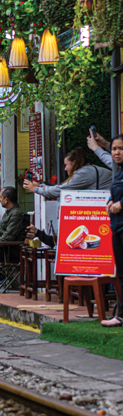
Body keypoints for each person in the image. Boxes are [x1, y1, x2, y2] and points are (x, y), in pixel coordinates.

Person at [23, 147, 112, 199]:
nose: (65, 169)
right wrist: (40, 186)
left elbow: (61, 190)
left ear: (73, 164)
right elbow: (62, 187)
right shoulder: (86, 170)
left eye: (66, 165)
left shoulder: (82, 174)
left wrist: (36, 189)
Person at [102, 135, 123, 327]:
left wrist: (121, 204)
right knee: (121, 273)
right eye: (114, 149)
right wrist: (111, 202)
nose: (117, 152)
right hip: (116, 227)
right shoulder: (119, 172)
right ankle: (121, 315)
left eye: (121, 148)